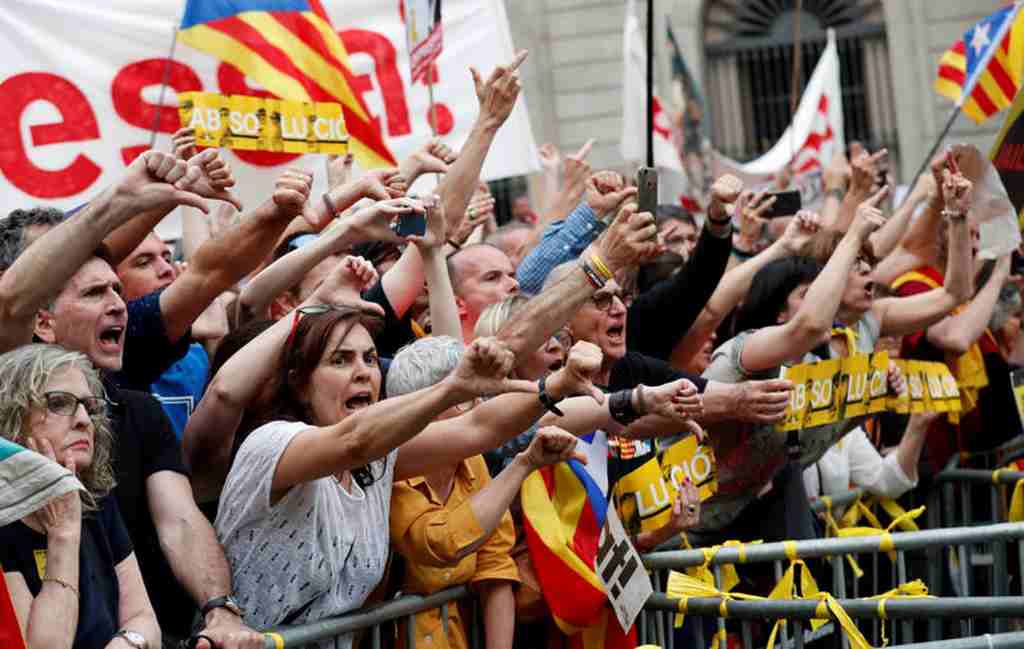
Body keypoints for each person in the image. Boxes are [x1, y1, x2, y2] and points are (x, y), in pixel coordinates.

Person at [699, 171, 970, 537]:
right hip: (696, 530)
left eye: (868, 265)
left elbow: (953, 295)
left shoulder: (857, 332)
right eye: (855, 264)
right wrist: (853, 222)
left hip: (759, 518)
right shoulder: (753, 348)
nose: (868, 273)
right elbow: (807, 324)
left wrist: (956, 217)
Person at [385, 336, 585, 649]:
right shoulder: (391, 473)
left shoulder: (471, 461)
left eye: (480, 396)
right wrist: (522, 465)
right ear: (422, 410)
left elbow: (494, 562)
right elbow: (441, 543)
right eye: (465, 399)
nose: (480, 408)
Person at [0, 344, 160, 649]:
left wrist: (127, 644)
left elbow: (143, 617)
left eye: (89, 405)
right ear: (12, 415)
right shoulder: (3, 520)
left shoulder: (96, 499)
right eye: (60, 403)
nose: (84, 420)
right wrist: (63, 535)